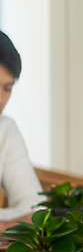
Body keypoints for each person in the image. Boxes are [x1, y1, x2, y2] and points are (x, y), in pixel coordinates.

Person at [0, 31, 42, 231]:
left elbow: (35, 207)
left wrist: (5, 224)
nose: (0, 99)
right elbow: (29, 215)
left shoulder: (6, 129)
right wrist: (14, 221)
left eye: (7, 88)